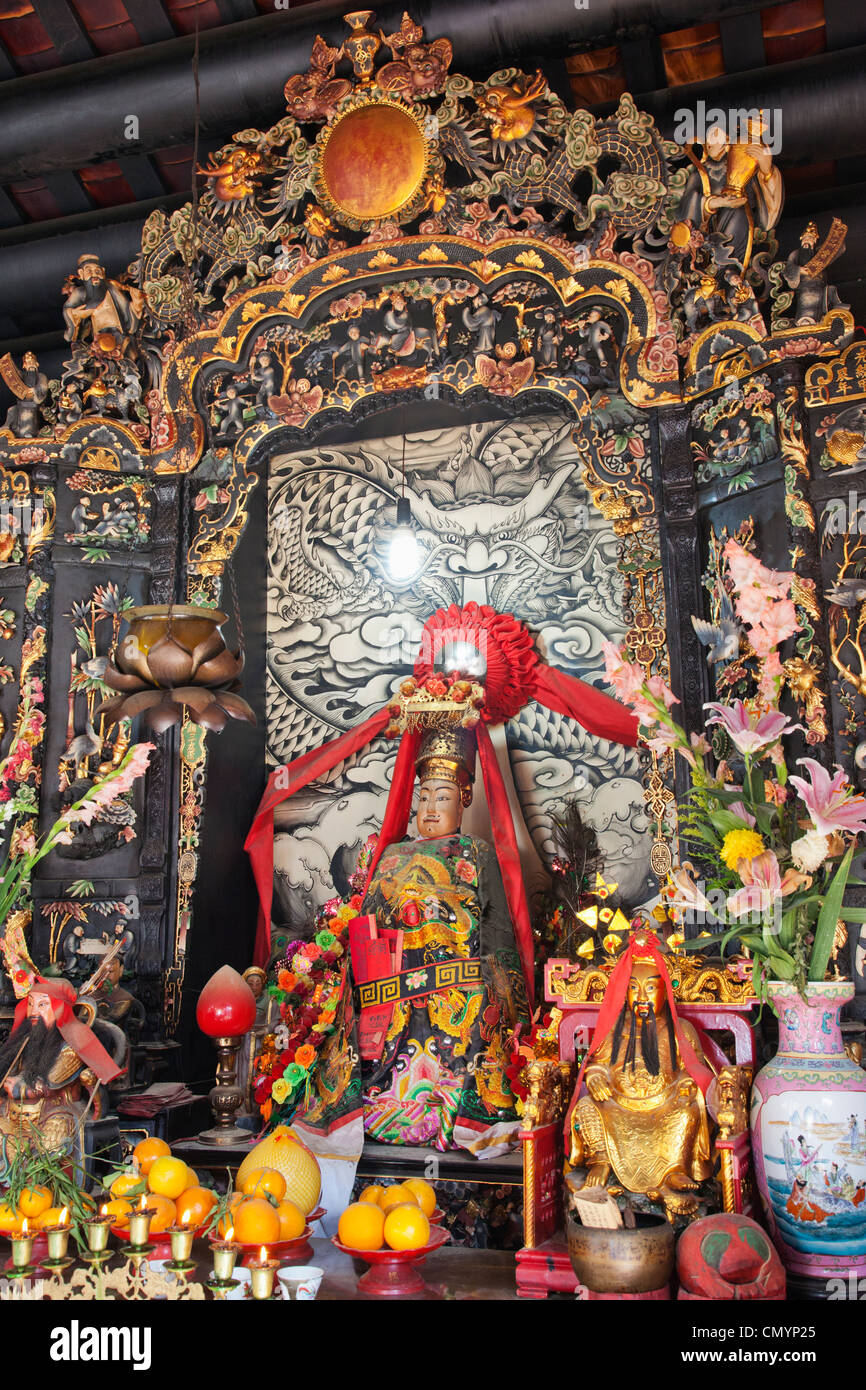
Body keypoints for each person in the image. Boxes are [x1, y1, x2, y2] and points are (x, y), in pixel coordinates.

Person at [357, 725, 529, 1156]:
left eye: (444, 797)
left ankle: (460, 1109)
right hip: (397, 986)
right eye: (424, 797)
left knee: (474, 1015)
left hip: (458, 985)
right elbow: (371, 920)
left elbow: (496, 932)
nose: (430, 809)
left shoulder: (477, 852)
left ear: (465, 799)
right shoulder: (393, 854)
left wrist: (499, 987)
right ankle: (392, 1105)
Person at [567, 929, 714, 1217]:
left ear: (664, 990)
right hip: (618, 1106)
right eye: (634, 988)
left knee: (689, 1109)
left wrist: (685, 1083)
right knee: (586, 1108)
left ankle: (674, 1169)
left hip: (664, 1106)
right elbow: (597, 1063)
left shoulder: (680, 1030)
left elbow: (692, 1067)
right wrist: (595, 1075)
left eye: (650, 988)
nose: (642, 996)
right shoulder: (614, 1030)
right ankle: (601, 1162)